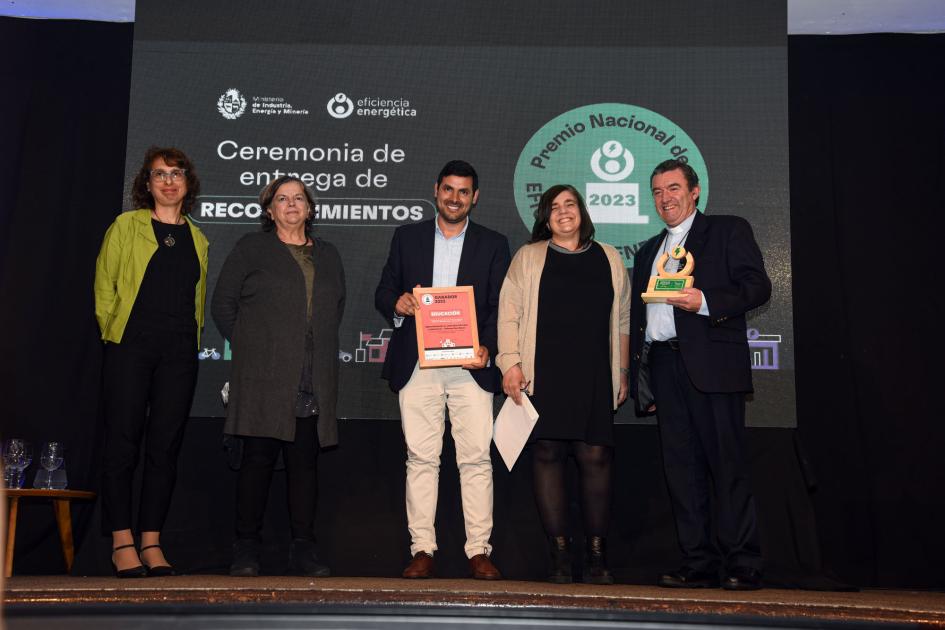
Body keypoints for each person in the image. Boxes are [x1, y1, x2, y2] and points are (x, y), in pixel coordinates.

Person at [628, 159, 771, 590]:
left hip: (712, 366)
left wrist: (704, 301)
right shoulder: (648, 250)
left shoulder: (727, 231)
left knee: (726, 466)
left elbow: (757, 286)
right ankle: (698, 560)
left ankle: (743, 561)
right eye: (657, 191)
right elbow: (641, 319)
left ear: (694, 192)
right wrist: (643, 375)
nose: (665, 198)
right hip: (665, 366)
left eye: (673, 188)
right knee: (681, 469)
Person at [375, 160, 511, 579]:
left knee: (476, 460)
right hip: (419, 364)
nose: (455, 198)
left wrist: (488, 348)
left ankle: (478, 550)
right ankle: (423, 549)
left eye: (463, 192)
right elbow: (384, 290)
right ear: (436, 190)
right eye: (448, 190)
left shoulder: (493, 243)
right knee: (420, 459)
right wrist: (396, 303)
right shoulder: (407, 237)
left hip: (471, 366)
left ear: (475, 197)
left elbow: (499, 307)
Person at [211, 175, 345, 577]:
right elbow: (223, 305)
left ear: (309, 207)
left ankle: (303, 550)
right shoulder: (251, 248)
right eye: (281, 199)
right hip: (261, 377)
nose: (291, 204)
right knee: (257, 463)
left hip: (311, 377)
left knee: (305, 466)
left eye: (298, 198)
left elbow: (335, 308)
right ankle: (246, 549)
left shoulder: (329, 254)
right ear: (269, 211)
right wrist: (256, 348)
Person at [497, 185, 630, 584]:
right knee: (548, 456)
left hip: (592, 374)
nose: (563, 212)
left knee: (596, 460)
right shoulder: (529, 256)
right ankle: (558, 554)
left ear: (582, 211)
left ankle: (596, 555)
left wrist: (622, 370)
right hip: (544, 373)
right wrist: (511, 364)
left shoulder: (609, 256)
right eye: (554, 207)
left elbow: (622, 318)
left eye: (570, 204)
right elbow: (509, 314)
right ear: (545, 217)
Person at [94, 146, 209, 577]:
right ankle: (121, 539)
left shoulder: (198, 237)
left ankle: (151, 539)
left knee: (164, 448)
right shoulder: (127, 226)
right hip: (130, 347)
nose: (168, 180)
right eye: (159, 174)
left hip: (179, 353)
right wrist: (115, 334)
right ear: (147, 183)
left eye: (176, 173)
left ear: (187, 183)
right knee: (123, 443)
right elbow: (104, 285)